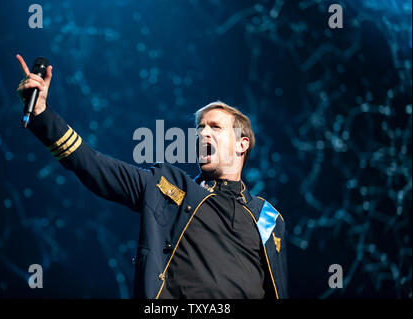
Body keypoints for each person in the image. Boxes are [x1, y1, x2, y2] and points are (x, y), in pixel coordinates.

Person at [15, 54, 288, 299]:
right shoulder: (168, 189)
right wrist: (42, 114)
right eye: (200, 127)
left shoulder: (267, 217)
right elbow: (92, 165)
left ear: (242, 145)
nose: (202, 133)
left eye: (215, 127)